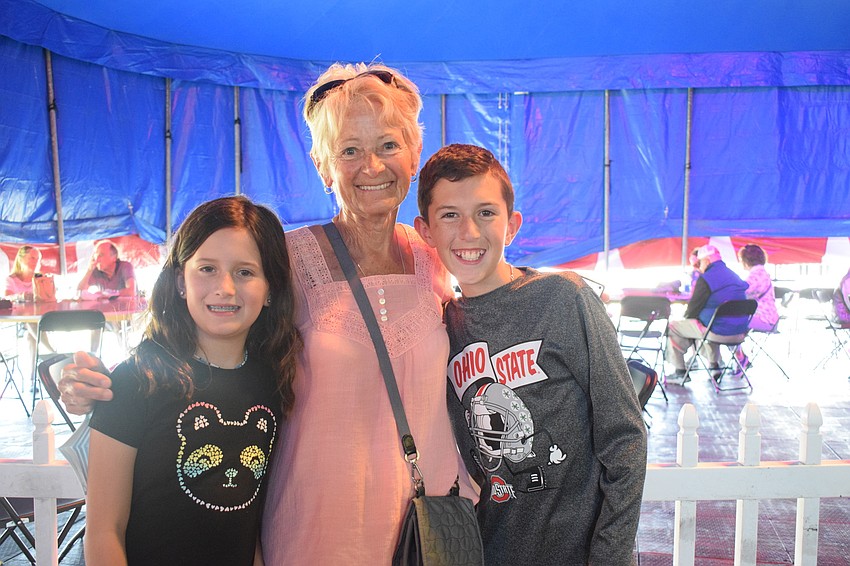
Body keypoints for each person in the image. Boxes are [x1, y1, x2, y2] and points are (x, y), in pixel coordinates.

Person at [59, 63, 475, 564]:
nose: (372, 166)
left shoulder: (438, 255)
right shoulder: (288, 258)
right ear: (323, 166)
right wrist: (97, 383)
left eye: (388, 145)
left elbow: (494, 315)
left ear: (413, 156)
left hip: (424, 530)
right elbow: (207, 331)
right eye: (349, 150)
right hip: (314, 531)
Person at [415, 144, 647, 565]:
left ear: (512, 225)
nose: (469, 232)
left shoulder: (564, 299)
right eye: (450, 215)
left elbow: (625, 437)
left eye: (486, 213)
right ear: (425, 231)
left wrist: (610, 556)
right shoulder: (440, 329)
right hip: (490, 550)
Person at [84, 196, 300, 565]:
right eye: (207, 269)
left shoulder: (273, 381)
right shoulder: (138, 379)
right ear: (180, 281)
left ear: (270, 291)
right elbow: (104, 529)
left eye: (246, 272)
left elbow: (250, 528)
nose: (226, 288)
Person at [665, 244, 749, 383]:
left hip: (717, 331)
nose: (699, 266)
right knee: (707, 322)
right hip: (739, 332)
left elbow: (693, 309)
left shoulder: (706, 278)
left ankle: (680, 371)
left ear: (707, 261)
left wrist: (688, 325)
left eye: (700, 262)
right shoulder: (734, 276)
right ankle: (714, 365)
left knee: (676, 326)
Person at [734, 244, 779, 370]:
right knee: (734, 327)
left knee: (728, 325)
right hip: (768, 317)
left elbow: (740, 292)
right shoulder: (761, 273)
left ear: (746, 260)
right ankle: (740, 358)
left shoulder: (756, 275)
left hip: (764, 318)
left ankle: (740, 358)